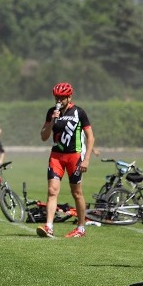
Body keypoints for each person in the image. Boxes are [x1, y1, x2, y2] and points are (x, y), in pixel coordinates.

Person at [37, 82, 94, 239]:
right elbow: (43, 136)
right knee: (52, 191)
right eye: (56, 97)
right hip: (56, 156)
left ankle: (81, 228)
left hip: (74, 157)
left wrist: (86, 159)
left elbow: (90, 137)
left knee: (76, 193)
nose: (59, 100)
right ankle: (49, 227)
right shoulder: (51, 112)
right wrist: (52, 122)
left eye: (62, 98)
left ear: (69, 97)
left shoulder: (79, 112)